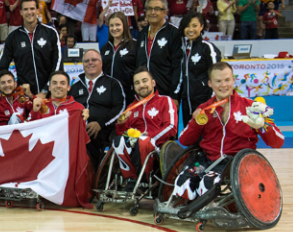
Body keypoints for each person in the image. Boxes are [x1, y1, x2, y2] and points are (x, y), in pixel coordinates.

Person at [173, 62, 284, 216]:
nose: (223, 85)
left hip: (236, 163)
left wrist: (262, 124)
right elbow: (184, 140)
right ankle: (190, 205)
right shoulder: (204, 109)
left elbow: (278, 141)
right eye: (218, 81)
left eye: (227, 80)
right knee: (182, 181)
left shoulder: (251, 107)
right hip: (208, 161)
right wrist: (196, 122)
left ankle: (209, 206)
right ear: (210, 83)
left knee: (208, 183)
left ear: (233, 80)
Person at [0, 0, 63, 98]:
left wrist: (45, 91)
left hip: (50, 95)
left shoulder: (51, 33)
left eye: (32, 9)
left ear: (37, 10)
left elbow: (57, 64)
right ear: (21, 12)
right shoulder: (13, 37)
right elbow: (1, 66)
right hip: (24, 96)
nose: (29, 12)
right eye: (26, 9)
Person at [71, 49, 126, 165]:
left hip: (104, 133)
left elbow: (120, 108)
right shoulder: (74, 87)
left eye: (94, 60)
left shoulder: (113, 84)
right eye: (87, 61)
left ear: (101, 63)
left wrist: (100, 124)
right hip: (78, 134)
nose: (90, 63)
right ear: (83, 64)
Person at [135, 0, 182, 108]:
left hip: (166, 95)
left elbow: (179, 66)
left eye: (157, 9)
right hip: (144, 95)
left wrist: (175, 94)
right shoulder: (142, 34)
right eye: (149, 9)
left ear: (165, 12)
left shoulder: (174, 33)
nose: (152, 12)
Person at [115, 66, 178, 146]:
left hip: (158, 148)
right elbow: (123, 135)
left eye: (144, 81)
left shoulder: (165, 100)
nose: (141, 85)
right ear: (134, 87)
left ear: (153, 83)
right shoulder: (130, 108)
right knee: (117, 143)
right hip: (135, 148)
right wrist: (121, 125)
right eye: (137, 83)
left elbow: (171, 127)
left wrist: (148, 140)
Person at [177, 11, 219, 127]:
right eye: (187, 26)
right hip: (187, 101)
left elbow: (217, 75)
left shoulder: (208, 48)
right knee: (190, 134)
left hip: (204, 101)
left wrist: (212, 101)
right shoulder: (182, 50)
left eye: (194, 26)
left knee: (206, 135)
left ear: (202, 27)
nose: (190, 29)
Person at [101, 12, 137, 102]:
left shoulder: (134, 45)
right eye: (111, 25)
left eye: (118, 25)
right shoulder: (105, 48)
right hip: (108, 96)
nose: (114, 28)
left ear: (124, 25)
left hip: (129, 96)